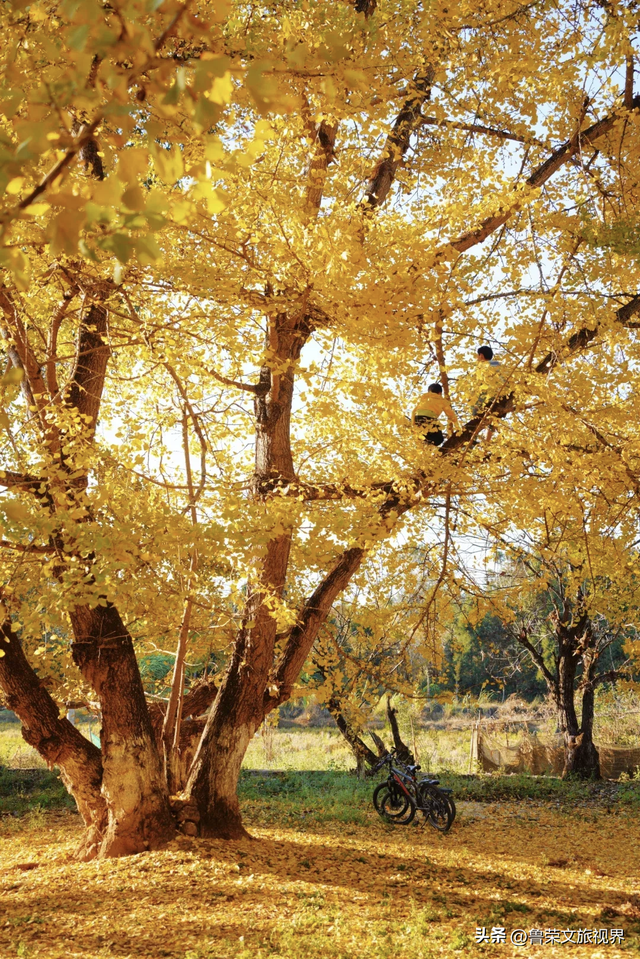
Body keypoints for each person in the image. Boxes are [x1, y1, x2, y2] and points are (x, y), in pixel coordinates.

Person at [474, 344, 502, 439]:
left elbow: (477, 384)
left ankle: (471, 441)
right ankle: (487, 441)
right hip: (498, 396)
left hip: (483, 397)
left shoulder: (480, 366)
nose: (477, 359)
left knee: (475, 421)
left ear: (481, 355)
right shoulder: (498, 364)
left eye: (477, 356)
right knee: (494, 419)